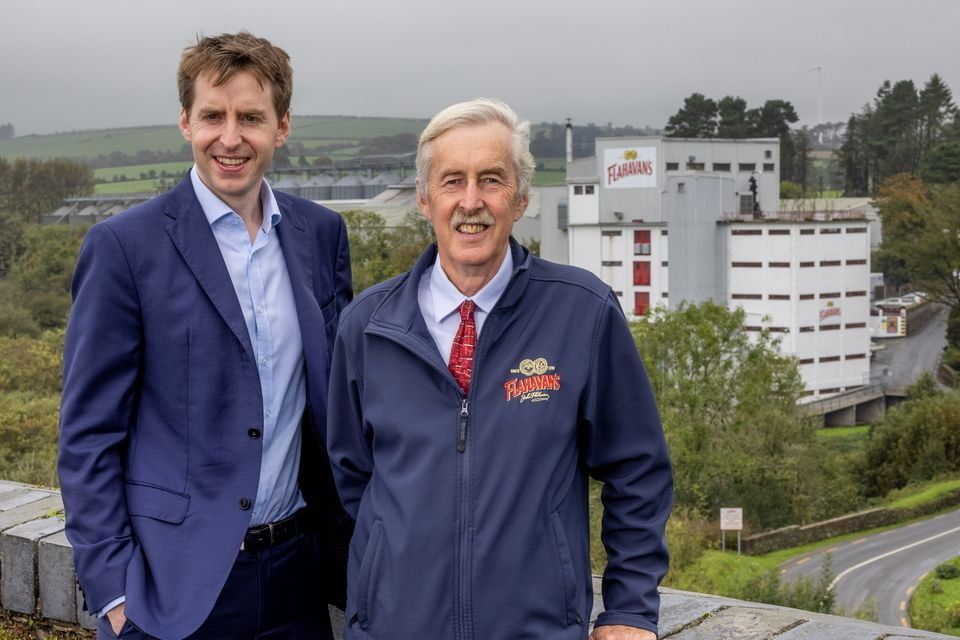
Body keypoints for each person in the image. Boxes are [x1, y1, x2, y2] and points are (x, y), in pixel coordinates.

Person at [324, 98, 673, 640]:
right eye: (451, 181)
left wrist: (628, 610)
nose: (471, 201)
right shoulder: (366, 326)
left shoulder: (583, 313)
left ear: (522, 197)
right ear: (424, 198)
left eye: (491, 179)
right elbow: (353, 479)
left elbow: (638, 471)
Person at [58, 32, 352, 640]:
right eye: (213, 116)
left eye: (251, 117)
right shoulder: (123, 248)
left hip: (297, 575)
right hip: (172, 590)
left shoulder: (321, 234)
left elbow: (338, 398)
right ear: (186, 122)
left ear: (283, 126)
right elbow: (88, 435)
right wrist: (115, 590)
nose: (231, 137)